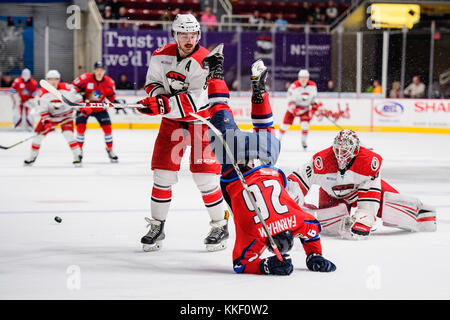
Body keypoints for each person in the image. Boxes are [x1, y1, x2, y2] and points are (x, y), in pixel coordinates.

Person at [200, 47, 336, 275]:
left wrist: (315, 254)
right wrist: (265, 265)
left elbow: (311, 229)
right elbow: (240, 264)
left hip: (266, 160)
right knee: (220, 109)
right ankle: (215, 68)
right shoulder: (256, 235)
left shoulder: (295, 221)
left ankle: (259, 88)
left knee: (265, 129)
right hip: (235, 165)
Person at [136, 14, 229, 252]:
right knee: (162, 175)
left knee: (205, 178)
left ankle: (220, 225)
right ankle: (157, 226)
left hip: (200, 122)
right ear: (174, 35)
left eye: (193, 35)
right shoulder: (161, 55)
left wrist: (164, 105)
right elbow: (153, 82)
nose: (189, 39)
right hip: (172, 122)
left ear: (198, 35)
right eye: (183, 35)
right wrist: (156, 100)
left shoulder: (206, 61)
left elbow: (199, 99)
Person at [286, 129, 437, 239]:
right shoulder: (322, 160)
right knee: (329, 224)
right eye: (338, 150)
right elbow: (299, 179)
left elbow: (371, 188)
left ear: (356, 149)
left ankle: (424, 217)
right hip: (331, 193)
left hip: (360, 192)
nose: (340, 155)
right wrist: (288, 203)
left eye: (345, 150)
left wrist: (365, 216)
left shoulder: (367, 161)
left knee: (396, 208)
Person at [24, 70, 82, 166]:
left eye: (56, 79)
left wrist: (82, 108)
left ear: (59, 80)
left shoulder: (67, 88)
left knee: (69, 135)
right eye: (51, 79)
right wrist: (47, 123)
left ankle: (77, 157)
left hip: (66, 117)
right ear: (47, 81)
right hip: (50, 118)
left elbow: (78, 99)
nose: (53, 81)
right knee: (37, 138)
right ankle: (32, 157)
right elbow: (42, 110)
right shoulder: (42, 94)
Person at [72, 61, 119, 163]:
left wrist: (114, 103)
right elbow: (73, 88)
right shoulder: (85, 78)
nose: (99, 72)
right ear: (94, 70)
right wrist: (81, 98)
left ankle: (110, 150)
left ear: (104, 71)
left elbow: (111, 96)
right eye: (97, 70)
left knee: (108, 130)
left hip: (99, 108)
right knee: (80, 129)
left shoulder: (109, 82)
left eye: (101, 70)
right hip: (85, 107)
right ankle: (79, 151)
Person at [278, 69, 320, 150]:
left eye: (305, 77)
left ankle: (304, 142)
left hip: (304, 109)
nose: (303, 79)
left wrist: (314, 104)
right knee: (285, 125)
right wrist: (293, 109)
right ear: (298, 78)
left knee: (305, 126)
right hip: (293, 109)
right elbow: (289, 100)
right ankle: (278, 140)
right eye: (301, 77)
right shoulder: (293, 86)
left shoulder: (313, 86)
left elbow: (313, 98)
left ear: (308, 78)